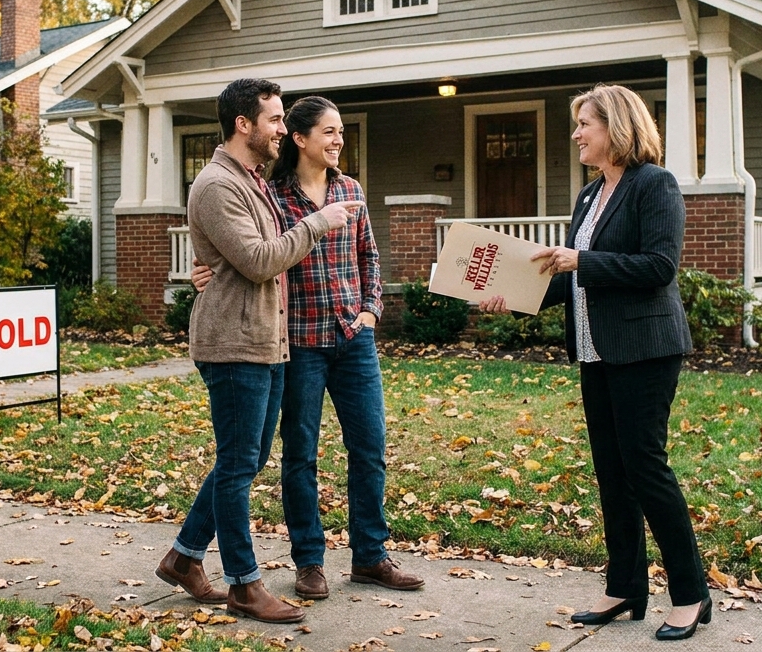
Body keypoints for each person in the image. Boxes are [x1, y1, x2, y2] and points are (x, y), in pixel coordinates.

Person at [479, 84, 710, 641]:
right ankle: (626, 587)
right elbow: (574, 276)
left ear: (618, 127)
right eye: (578, 123)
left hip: (644, 350)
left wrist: (580, 258)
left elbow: (658, 266)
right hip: (593, 350)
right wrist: (515, 296)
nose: (577, 133)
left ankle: (692, 594)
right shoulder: (589, 196)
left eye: (586, 123)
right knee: (612, 473)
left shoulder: (655, 185)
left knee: (646, 469)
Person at [191, 97, 424, 600]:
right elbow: (252, 253)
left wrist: (370, 311)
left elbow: (370, 258)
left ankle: (370, 556)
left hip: (352, 337)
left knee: (369, 448)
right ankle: (309, 562)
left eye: (341, 132)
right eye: (329, 132)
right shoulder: (273, 194)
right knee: (300, 455)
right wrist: (207, 271)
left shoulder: (351, 190)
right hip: (298, 342)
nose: (339, 140)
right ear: (300, 139)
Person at [154, 78, 363, 624]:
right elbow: (258, 259)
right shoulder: (218, 184)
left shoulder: (252, 180)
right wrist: (317, 224)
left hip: (266, 339)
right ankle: (245, 584)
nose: (281, 128)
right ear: (243, 124)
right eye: (273, 119)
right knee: (240, 464)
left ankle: (183, 557)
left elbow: (247, 260)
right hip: (233, 342)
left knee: (240, 460)